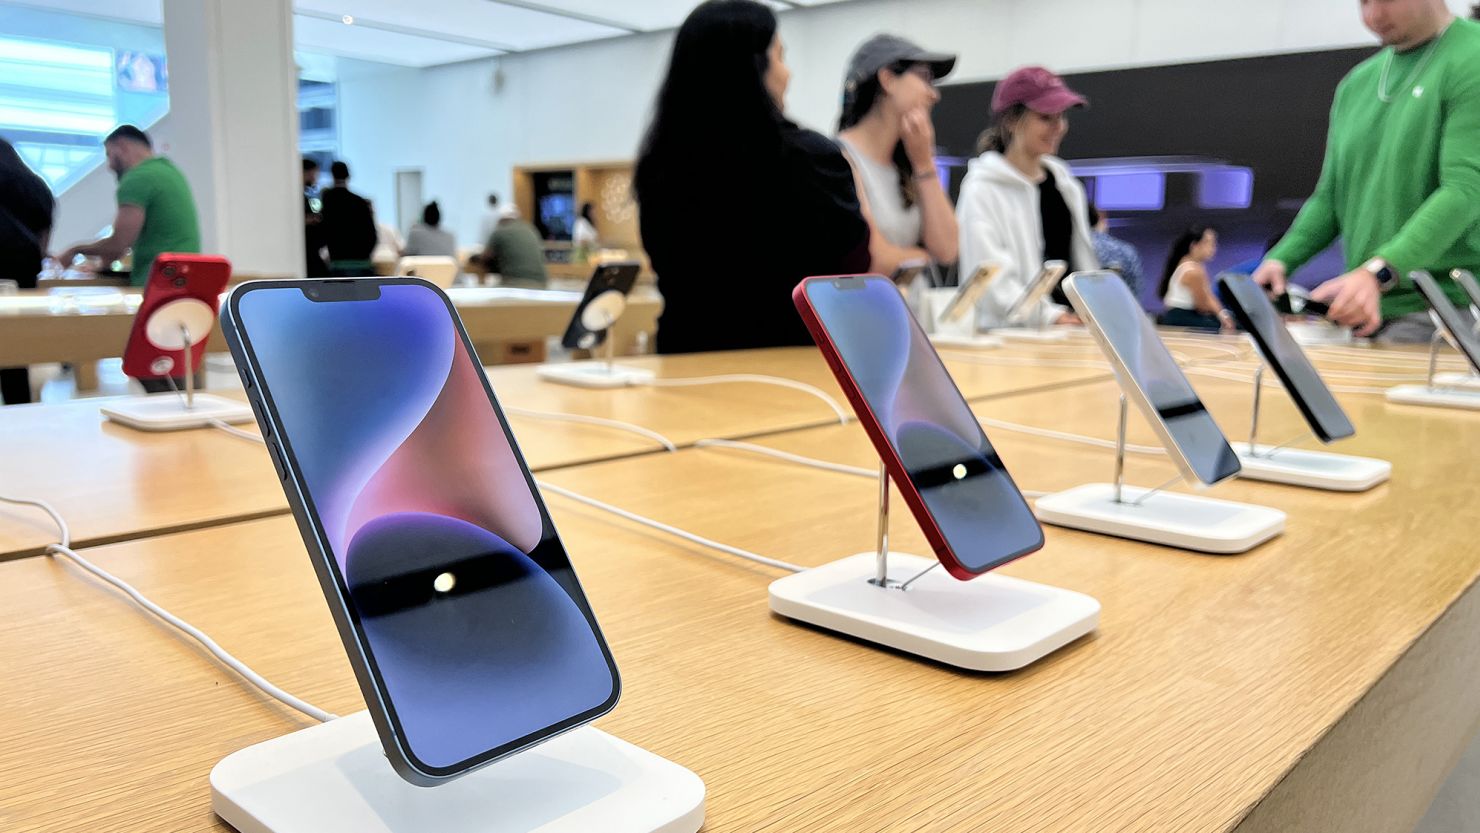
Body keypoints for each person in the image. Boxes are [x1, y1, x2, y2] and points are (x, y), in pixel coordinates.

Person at [635, 0, 869, 353]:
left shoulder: (660, 166)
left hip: (686, 364)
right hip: (795, 370)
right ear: (752, 66)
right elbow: (853, 267)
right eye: (780, 56)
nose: (787, 73)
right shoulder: (811, 159)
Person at [1252, 0, 1480, 343]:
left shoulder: (1472, 56)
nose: (1373, 15)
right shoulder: (1356, 85)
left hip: (1447, 313)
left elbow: (1465, 188)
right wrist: (1282, 259)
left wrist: (1379, 272)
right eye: (1363, 1)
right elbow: (1330, 198)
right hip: (1361, 313)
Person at [956, 66, 1099, 329]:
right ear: (1011, 120)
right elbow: (989, 277)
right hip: (1011, 341)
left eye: (1062, 116)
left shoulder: (1066, 185)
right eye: (1046, 117)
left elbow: (1079, 264)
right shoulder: (982, 189)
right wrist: (1051, 316)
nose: (1058, 127)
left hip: (1070, 332)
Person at [836, 34, 958, 275]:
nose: (934, 95)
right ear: (888, 79)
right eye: (925, 78)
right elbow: (874, 259)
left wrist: (924, 163)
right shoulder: (840, 158)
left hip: (910, 312)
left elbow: (947, 250)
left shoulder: (909, 163)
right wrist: (923, 256)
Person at [59, 125, 200, 287]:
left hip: (157, 283)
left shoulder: (138, 178)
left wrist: (76, 249)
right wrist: (102, 266)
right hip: (186, 279)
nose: (109, 166)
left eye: (109, 154)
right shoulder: (170, 171)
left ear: (122, 146)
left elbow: (118, 244)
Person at [1, 138, 54, 404]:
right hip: (22, 271)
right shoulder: (35, 186)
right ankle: (19, 407)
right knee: (16, 349)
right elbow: (44, 239)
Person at [1157, 226, 1233, 332]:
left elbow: (1208, 295)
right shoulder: (1193, 271)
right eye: (1209, 243)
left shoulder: (1193, 266)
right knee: (1224, 326)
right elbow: (1202, 305)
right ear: (1195, 245)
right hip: (1181, 317)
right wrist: (1222, 316)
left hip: (1180, 315)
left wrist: (1222, 314)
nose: (1213, 248)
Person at [319, 160, 377, 276]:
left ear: (332, 175)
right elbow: (372, 235)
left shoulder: (328, 201)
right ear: (348, 175)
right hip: (362, 262)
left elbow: (323, 232)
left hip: (338, 262)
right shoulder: (360, 202)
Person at [480, 205, 547, 288]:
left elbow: (485, 257)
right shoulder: (531, 229)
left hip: (516, 283)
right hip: (542, 283)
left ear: (501, 220)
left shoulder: (499, 232)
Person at [1088, 205, 1144, 301]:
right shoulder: (1125, 250)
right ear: (1101, 219)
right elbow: (1136, 290)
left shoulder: (1068, 248)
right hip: (1118, 309)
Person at [302, 158, 329, 277]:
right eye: (314, 174)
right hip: (308, 253)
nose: (315, 178)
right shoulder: (298, 198)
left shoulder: (305, 197)